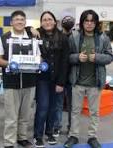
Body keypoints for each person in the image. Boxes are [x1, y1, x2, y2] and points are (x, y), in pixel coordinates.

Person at [64, 9, 113, 148]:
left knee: (94, 112)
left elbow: (110, 57)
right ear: (82, 22)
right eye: (87, 20)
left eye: (92, 21)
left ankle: (92, 137)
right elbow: (66, 57)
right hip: (77, 81)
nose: (90, 23)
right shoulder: (73, 37)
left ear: (96, 22)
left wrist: (97, 57)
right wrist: (77, 57)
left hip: (95, 82)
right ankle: (73, 136)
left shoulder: (103, 37)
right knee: (74, 111)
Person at [0, 10, 36, 148]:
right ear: (11, 22)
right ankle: (9, 142)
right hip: (11, 83)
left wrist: (37, 62)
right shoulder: (3, 38)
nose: (19, 22)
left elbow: (39, 56)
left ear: (25, 22)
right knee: (11, 116)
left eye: (22, 19)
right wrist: (10, 64)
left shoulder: (32, 38)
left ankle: (22, 138)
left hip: (30, 82)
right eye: (17, 19)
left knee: (25, 115)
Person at [33, 11, 69, 147]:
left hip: (56, 79)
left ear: (55, 21)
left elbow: (65, 61)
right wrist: (29, 28)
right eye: (44, 20)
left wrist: (61, 82)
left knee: (53, 108)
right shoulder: (36, 35)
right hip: (41, 79)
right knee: (42, 107)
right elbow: (21, 27)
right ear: (41, 22)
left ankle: (49, 133)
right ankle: (37, 135)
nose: (47, 22)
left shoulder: (63, 38)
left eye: (50, 19)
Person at [61, 14, 75, 134]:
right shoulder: (58, 36)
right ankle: (56, 127)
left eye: (70, 21)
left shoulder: (76, 37)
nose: (68, 23)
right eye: (66, 21)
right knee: (57, 104)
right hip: (60, 76)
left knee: (72, 105)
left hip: (72, 76)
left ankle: (71, 128)